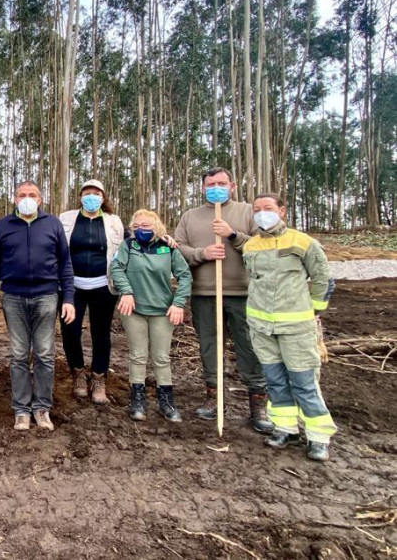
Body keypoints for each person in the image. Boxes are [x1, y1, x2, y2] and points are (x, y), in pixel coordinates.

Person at [173, 167, 273, 433]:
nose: (215, 187)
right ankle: (213, 398)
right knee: (209, 347)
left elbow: (263, 246)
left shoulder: (247, 212)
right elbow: (177, 248)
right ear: (203, 187)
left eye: (221, 183)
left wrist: (232, 235)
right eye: (210, 184)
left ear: (232, 185)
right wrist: (201, 253)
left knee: (249, 347)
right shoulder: (190, 216)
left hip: (242, 293)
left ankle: (258, 404)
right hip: (205, 293)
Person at [243, 194, 336, 461]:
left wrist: (316, 310)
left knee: (304, 381)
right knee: (274, 379)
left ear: (282, 211)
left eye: (268, 208)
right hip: (261, 326)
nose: (262, 214)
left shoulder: (302, 242)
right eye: (257, 210)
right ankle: (286, 427)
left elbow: (322, 278)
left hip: (296, 325)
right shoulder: (251, 246)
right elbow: (255, 281)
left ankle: (318, 436)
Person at [0, 181, 75, 432]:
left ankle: (42, 408)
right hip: (13, 297)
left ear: (40, 199)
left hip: (46, 296)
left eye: (32, 195)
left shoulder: (52, 224)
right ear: (15, 199)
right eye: (22, 195)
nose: (27, 198)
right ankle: (22, 409)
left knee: (45, 354)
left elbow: (65, 264)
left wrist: (68, 298)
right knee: (18, 354)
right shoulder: (3, 226)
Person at [111, 210, 192, 422]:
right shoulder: (128, 246)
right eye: (136, 226)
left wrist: (178, 303)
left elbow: (185, 276)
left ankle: (166, 400)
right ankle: (137, 399)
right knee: (137, 355)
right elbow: (117, 269)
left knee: (161, 357)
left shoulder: (168, 247)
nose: (141, 229)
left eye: (146, 225)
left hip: (162, 311)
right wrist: (126, 291)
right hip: (134, 310)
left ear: (156, 226)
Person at [58, 179, 125, 404]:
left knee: (101, 333)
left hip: (103, 287)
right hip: (71, 286)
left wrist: (162, 237)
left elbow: (128, 246)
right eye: (87, 192)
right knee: (70, 332)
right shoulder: (66, 219)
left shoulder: (114, 222)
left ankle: (98, 379)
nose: (91, 196)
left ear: (103, 198)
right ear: (80, 197)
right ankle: (77, 372)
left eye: (96, 193)